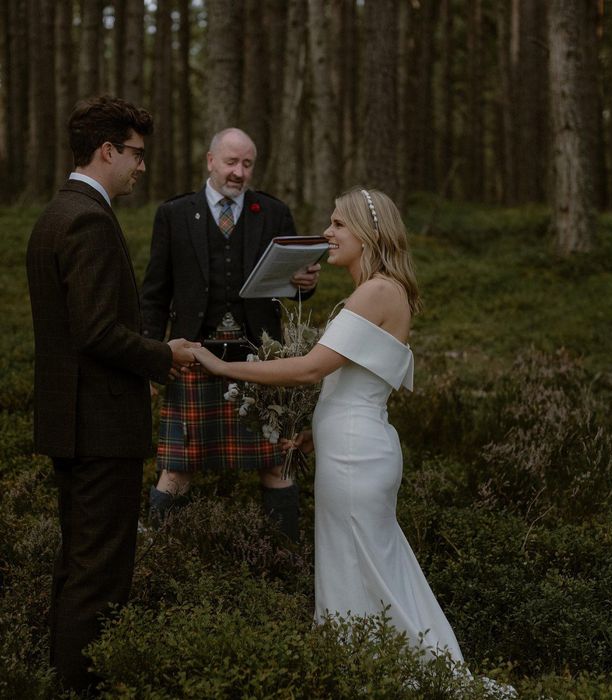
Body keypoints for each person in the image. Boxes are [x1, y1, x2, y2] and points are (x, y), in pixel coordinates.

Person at [190, 187, 466, 662]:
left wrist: (221, 367)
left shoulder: (377, 291)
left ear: (368, 232)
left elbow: (310, 368)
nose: (327, 233)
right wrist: (314, 432)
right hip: (352, 447)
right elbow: (358, 382)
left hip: (357, 455)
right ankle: (378, 667)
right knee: (364, 567)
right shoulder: (379, 290)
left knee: (363, 569)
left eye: (338, 224)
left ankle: (386, 671)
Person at [26, 95, 199, 694]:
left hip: (72, 423)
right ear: (107, 151)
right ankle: (82, 686)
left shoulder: (56, 212)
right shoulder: (88, 220)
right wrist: (164, 356)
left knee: (79, 565)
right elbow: (96, 330)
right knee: (100, 574)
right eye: (135, 154)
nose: (140, 166)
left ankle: (58, 680)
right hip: (99, 428)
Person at [140, 127, 320, 539]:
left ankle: (283, 557)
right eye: (230, 162)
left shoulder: (273, 213)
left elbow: (293, 286)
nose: (239, 172)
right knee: (177, 467)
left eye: (247, 164)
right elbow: (154, 292)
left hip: (260, 359)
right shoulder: (175, 214)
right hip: (192, 355)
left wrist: (305, 285)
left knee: (277, 462)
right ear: (210, 160)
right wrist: (151, 354)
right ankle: (159, 557)